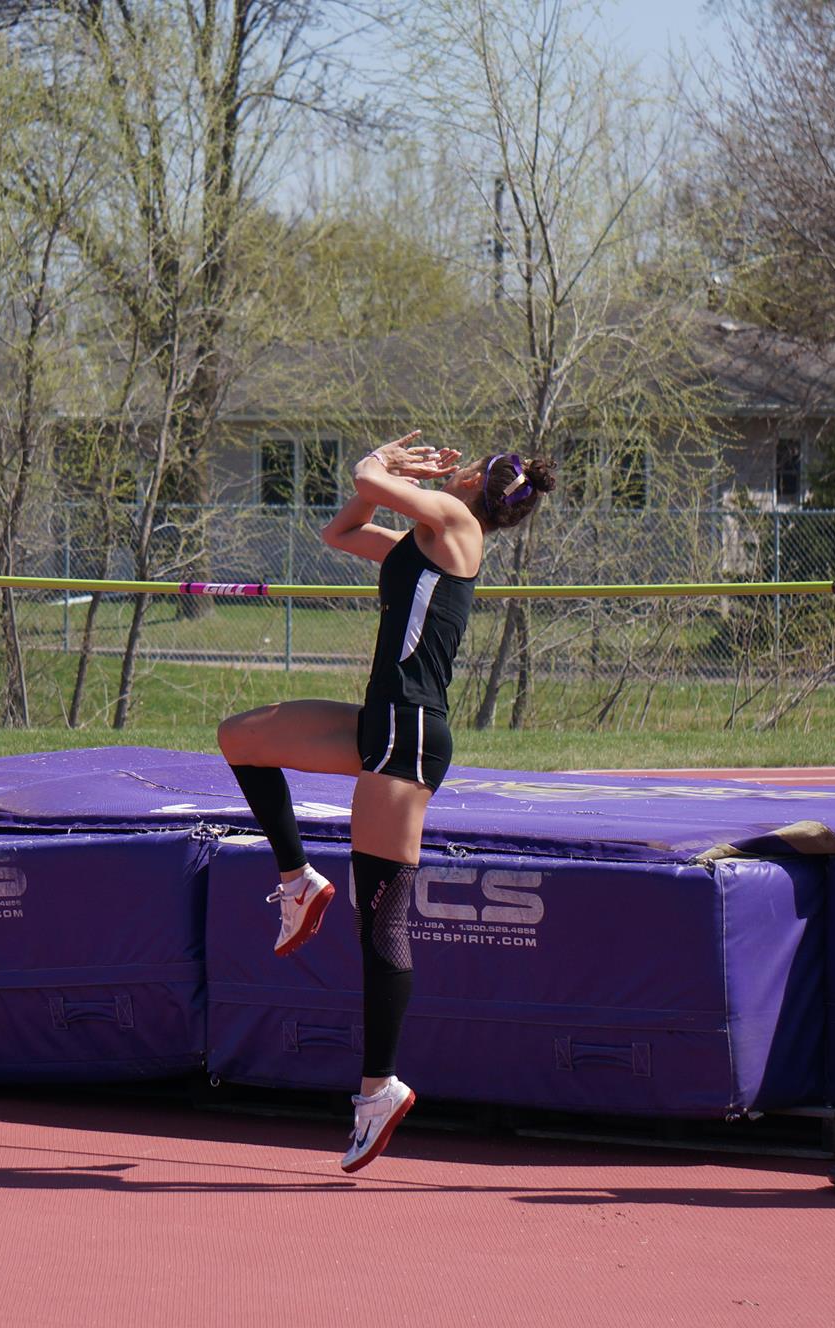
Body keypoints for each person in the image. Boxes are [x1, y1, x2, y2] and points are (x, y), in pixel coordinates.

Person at [217, 431, 555, 1171]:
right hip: (382, 722)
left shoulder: (458, 528)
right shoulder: (420, 540)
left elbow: (368, 474)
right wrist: (378, 482)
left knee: (382, 918)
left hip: (409, 735)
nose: (455, 466)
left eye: (467, 465)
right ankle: (296, 879)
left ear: (476, 485)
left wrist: (385, 464)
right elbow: (337, 530)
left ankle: (378, 1088)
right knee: (240, 737)